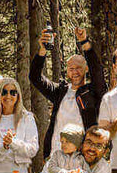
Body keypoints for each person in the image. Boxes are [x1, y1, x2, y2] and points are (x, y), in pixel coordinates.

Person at [30, 26, 107, 158]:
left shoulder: (92, 92)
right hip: (55, 154)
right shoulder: (59, 91)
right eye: (71, 68)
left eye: (78, 68)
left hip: (82, 156)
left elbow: (97, 71)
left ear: (86, 69)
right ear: (67, 70)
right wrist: (42, 49)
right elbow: (35, 77)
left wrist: (84, 42)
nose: (75, 72)